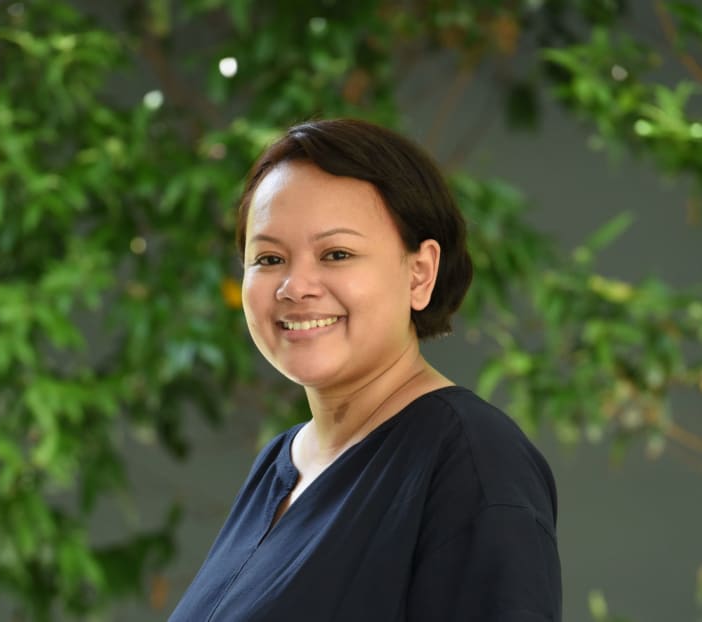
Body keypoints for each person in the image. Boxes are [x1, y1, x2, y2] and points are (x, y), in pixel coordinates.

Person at [169, 118, 561, 621]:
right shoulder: (280, 464)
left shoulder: (473, 461)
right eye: (268, 258)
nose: (295, 286)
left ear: (419, 274)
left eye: (336, 254)